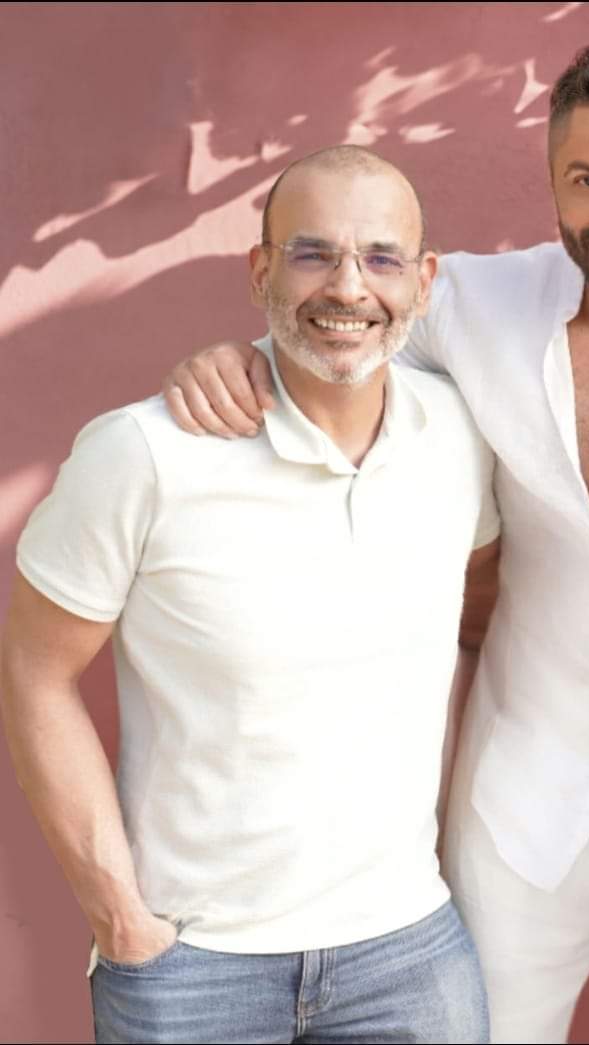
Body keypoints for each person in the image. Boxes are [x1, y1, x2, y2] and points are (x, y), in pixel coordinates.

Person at [158, 44, 589, 1044]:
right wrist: (239, 359)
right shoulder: (476, 304)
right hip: (521, 792)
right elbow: (341, 324)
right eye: (588, 180)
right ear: (554, 185)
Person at [0, 146, 500, 1044]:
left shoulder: (463, 437)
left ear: (423, 283)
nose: (348, 286)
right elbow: (32, 671)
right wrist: (121, 919)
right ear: (261, 271)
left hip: (409, 953)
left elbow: (486, 606)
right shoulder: (143, 454)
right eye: (313, 253)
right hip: (193, 965)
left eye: (381, 257)